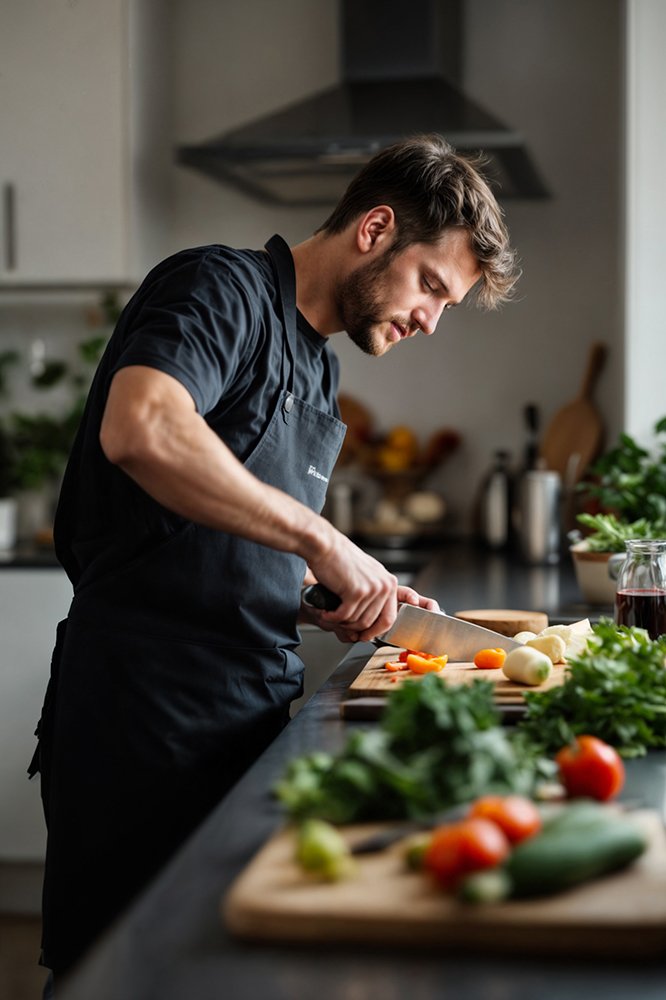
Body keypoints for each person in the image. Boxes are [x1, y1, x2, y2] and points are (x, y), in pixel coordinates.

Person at [30, 133, 519, 986]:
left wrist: (308, 591)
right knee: (116, 973)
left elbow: (207, 534)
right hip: (142, 723)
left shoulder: (318, 372)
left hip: (248, 717)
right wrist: (326, 541)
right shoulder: (219, 287)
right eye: (431, 286)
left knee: (218, 972)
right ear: (374, 230)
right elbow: (141, 427)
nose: (430, 320)